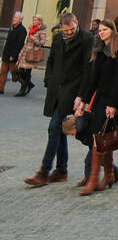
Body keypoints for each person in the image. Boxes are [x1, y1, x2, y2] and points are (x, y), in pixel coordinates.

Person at [24, 12, 93, 186]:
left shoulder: (86, 39)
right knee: (59, 128)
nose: (68, 33)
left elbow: (87, 70)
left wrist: (81, 95)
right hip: (56, 88)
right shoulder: (57, 38)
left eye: (71, 30)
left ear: (76, 23)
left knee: (54, 127)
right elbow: (51, 61)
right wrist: (48, 80)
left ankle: (44, 172)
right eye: (65, 31)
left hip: (72, 90)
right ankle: (61, 169)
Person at [73, 19, 118, 194]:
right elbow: (93, 79)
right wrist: (83, 101)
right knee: (102, 138)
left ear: (112, 30)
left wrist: (113, 105)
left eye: (105, 30)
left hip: (113, 101)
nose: (101, 32)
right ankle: (108, 174)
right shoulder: (99, 50)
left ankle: (94, 180)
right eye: (100, 30)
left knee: (98, 139)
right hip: (101, 100)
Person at [16, 15, 48, 96]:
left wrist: (35, 40)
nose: (33, 22)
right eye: (33, 20)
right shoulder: (31, 29)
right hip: (26, 52)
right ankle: (29, 84)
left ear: (39, 21)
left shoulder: (42, 30)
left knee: (27, 72)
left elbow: (43, 42)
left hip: (33, 54)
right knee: (21, 71)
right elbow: (27, 42)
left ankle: (22, 90)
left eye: (35, 20)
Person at [0, 11, 26, 93]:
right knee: (2, 72)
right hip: (6, 54)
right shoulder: (12, 27)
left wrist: (13, 56)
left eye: (16, 18)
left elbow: (19, 45)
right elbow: (7, 42)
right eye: (14, 17)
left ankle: (25, 83)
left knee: (15, 74)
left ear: (20, 20)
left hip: (13, 56)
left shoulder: (22, 30)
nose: (14, 19)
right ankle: (0, 89)